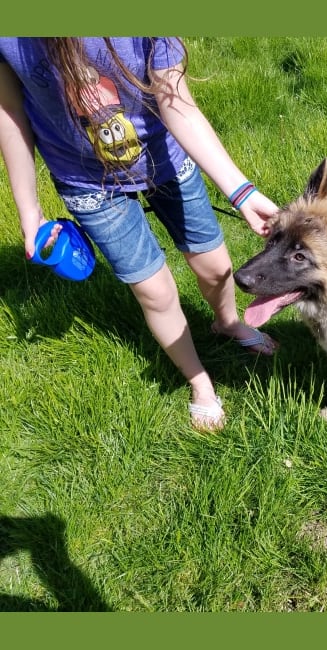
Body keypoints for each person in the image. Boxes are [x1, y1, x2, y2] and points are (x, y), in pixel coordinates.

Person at [0, 37, 280, 432]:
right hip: (87, 182)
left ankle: (228, 322)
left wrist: (241, 191)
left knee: (216, 267)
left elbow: (176, 100)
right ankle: (199, 381)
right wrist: (29, 210)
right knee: (155, 292)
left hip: (166, 158)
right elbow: (8, 112)